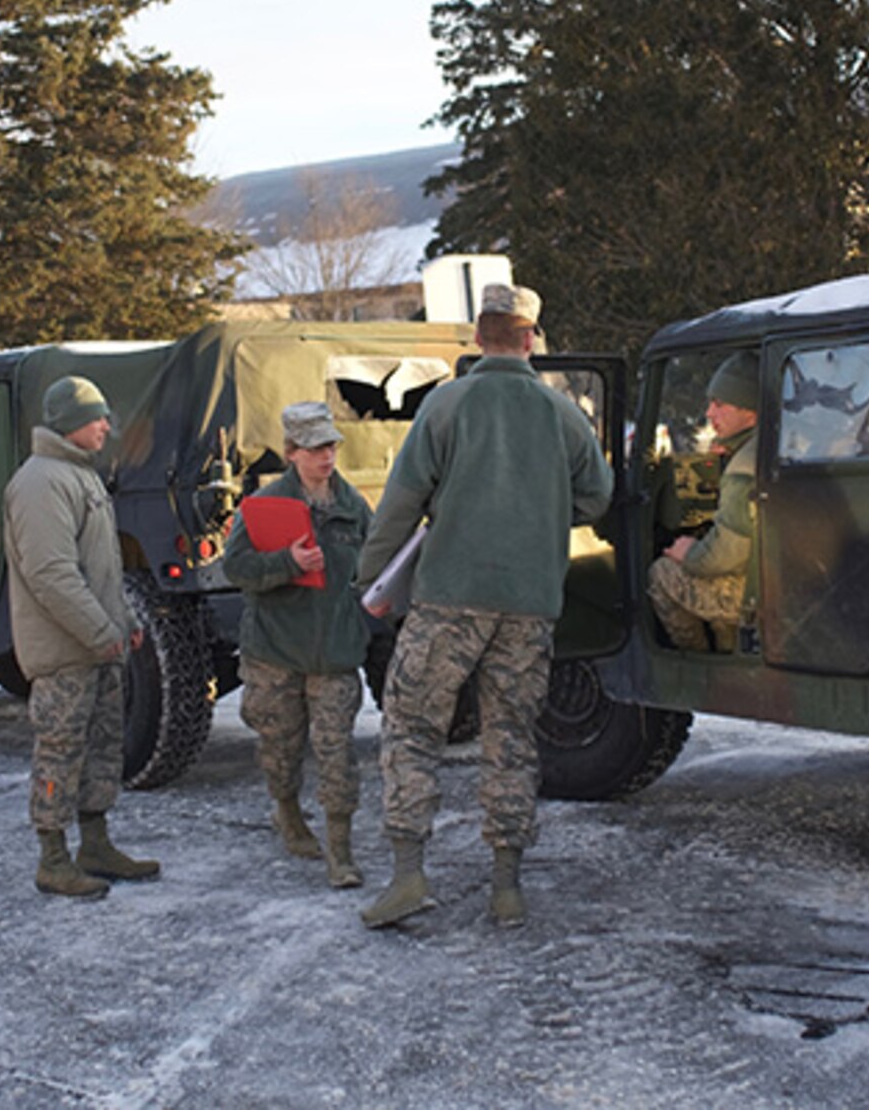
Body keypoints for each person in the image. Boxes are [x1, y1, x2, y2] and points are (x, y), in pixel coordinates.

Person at [356, 283, 613, 928]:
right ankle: (506, 890)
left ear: (478, 335)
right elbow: (598, 498)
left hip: (448, 602)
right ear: (531, 338)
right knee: (512, 740)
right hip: (529, 605)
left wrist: (372, 581)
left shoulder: (447, 406)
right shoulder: (563, 414)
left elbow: (400, 503)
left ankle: (409, 877)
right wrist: (543, 511)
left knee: (412, 729)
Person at [3, 375, 160, 899]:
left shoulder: (80, 476)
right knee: (60, 750)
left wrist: (127, 625)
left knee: (100, 748)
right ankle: (53, 858)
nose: (107, 427)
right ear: (71, 423)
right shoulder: (41, 482)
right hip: (66, 653)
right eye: (97, 418)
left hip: (97, 648)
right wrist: (100, 632)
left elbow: (103, 569)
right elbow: (52, 574)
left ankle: (95, 845)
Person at [221, 400, 375, 889]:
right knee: (281, 750)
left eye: (330, 446)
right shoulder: (266, 508)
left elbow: (374, 570)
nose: (325, 457)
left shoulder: (353, 509)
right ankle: (287, 812)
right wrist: (286, 562)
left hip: (334, 654)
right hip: (276, 652)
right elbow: (237, 569)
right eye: (313, 449)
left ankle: (341, 850)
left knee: (337, 753)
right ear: (291, 453)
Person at [646, 351, 758, 653]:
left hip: (760, 594)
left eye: (720, 404)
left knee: (662, 574)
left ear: (751, 412)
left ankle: (695, 670)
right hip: (794, 584)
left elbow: (721, 558)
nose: (709, 413)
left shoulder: (744, 468)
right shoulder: (776, 444)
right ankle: (729, 657)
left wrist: (689, 553)